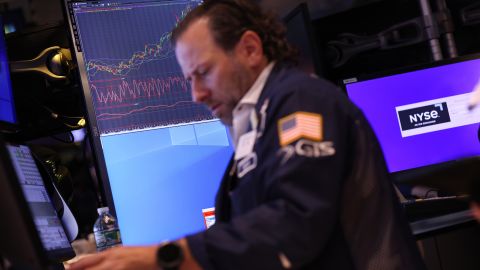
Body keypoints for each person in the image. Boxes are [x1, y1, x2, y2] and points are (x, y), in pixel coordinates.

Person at [69, 0, 426, 269]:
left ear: (250, 49)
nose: (196, 95)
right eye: (189, 80)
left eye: (203, 72)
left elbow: (293, 226)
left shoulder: (303, 103)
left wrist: (165, 256)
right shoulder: (260, 123)